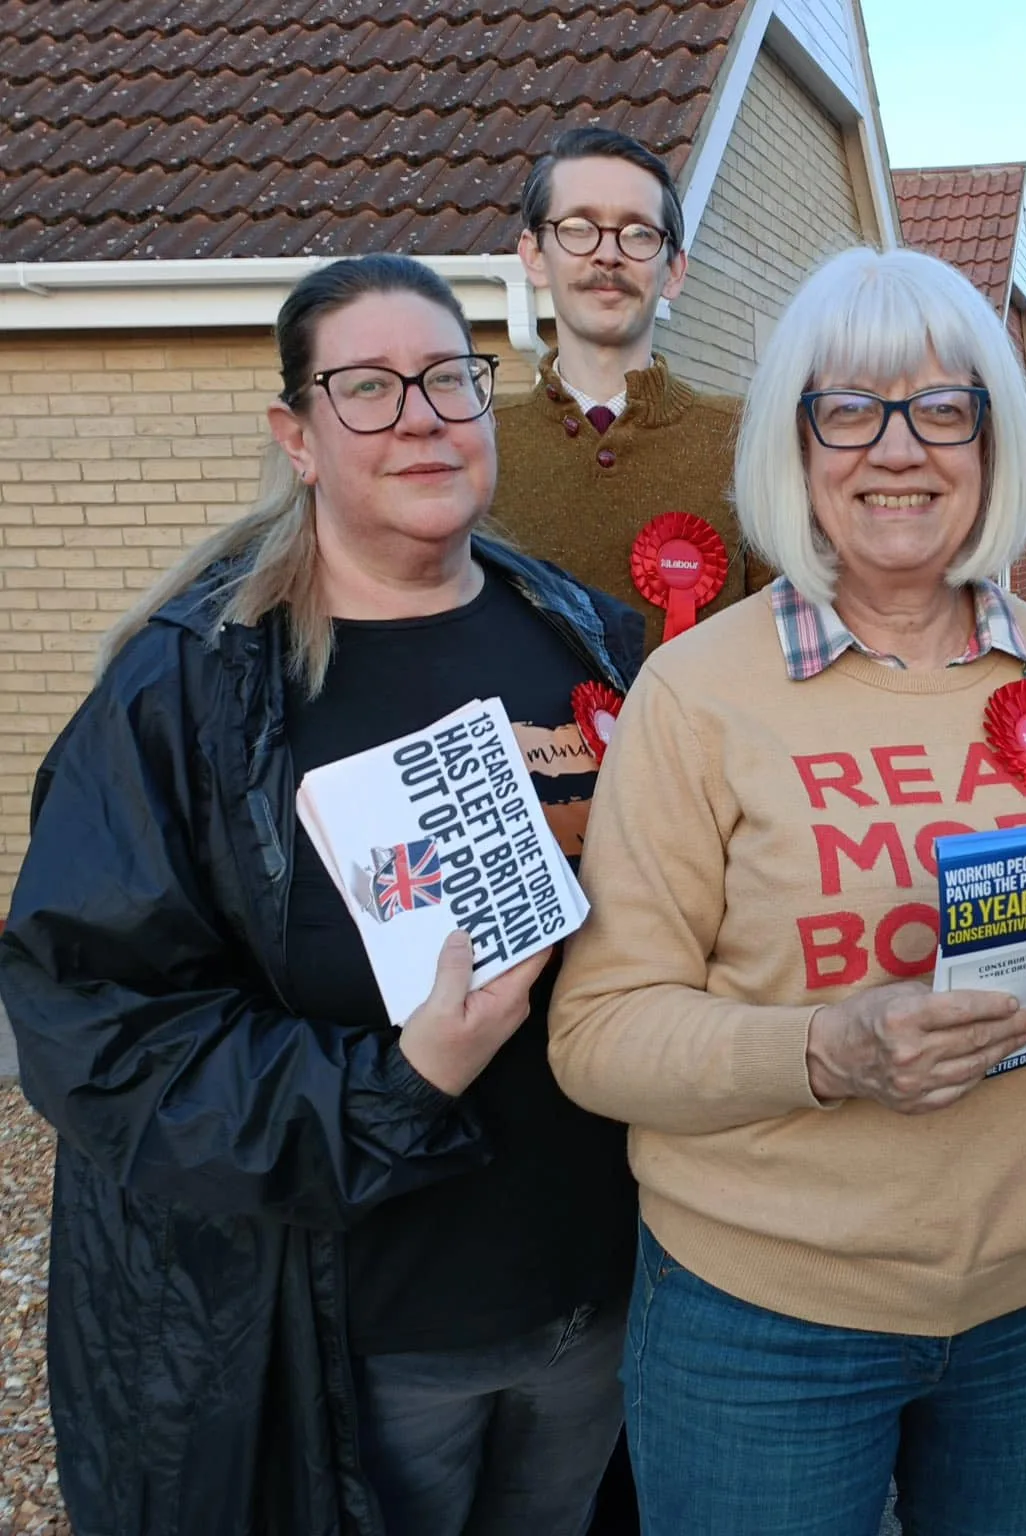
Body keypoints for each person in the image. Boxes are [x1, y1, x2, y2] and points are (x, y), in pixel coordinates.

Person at [548, 245, 1026, 1536]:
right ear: (797, 443)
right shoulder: (696, 692)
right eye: (851, 408)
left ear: (994, 439)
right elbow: (597, 1036)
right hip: (765, 1322)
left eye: (943, 407)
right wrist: (828, 1050)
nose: (899, 448)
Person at [0, 255, 645, 1536]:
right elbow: (102, 1030)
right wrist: (401, 1082)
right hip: (358, 1341)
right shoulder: (186, 694)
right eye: (367, 387)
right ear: (296, 435)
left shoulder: (593, 640)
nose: (421, 414)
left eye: (450, 377)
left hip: (597, 1301)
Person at [496, 126, 766, 655]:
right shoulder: (475, 443)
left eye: (639, 233)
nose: (608, 255)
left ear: (674, 271)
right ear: (533, 254)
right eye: (579, 227)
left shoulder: (747, 438)